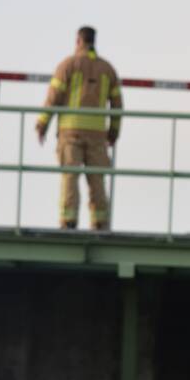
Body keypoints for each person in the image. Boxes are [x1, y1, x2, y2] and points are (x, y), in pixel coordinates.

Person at [35, 26, 122, 230]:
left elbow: (53, 98)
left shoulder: (67, 65)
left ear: (78, 41)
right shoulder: (107, 69)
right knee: (97, 180)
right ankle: (100, 223)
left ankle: (69, 221)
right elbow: (117, 105)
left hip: (70, 133)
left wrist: (42, 124)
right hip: (98, 136)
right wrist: (114, 132)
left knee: (70, 177)